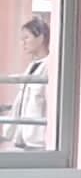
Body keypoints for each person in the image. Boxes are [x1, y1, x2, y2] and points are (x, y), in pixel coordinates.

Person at [4, 16, 50, 150]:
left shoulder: (49, 66)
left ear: (40, 38)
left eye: (26, 38)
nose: (23, 43)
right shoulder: (31, 66)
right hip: (24, 137)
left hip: (39, 140)